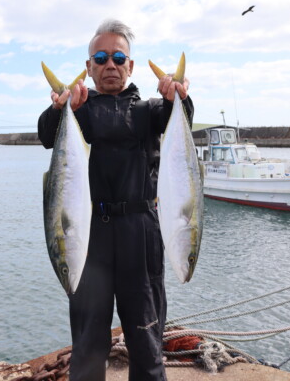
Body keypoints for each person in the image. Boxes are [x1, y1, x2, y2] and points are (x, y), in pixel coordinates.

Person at [38, 19, 194, 381]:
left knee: (146, 338)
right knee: (89, 341)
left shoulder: (149, 110)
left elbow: (180, 118)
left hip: (140, 234)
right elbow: (48, 136)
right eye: (102, 57)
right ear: (89, 67)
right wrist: (60, 108)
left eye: (119, 57)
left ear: (131, 65)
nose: (111, 64)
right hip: (88, 236)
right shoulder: (80, 111)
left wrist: (179, 98)